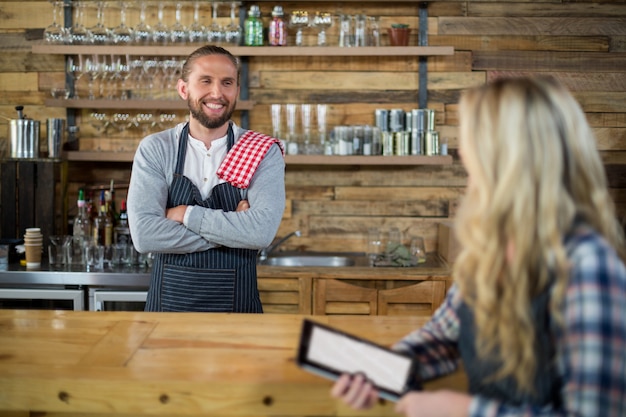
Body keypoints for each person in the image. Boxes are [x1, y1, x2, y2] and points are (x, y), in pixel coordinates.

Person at [331, 76, 626, 416]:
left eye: (471, 136)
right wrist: (379, 370)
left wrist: (465, 410)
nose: (461, 149)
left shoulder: (588, 264)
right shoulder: (494, 248)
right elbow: (441, 338)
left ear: (507, 156)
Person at [127, 45, 285, 313]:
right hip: (168, 313)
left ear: (236, 90)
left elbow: (260, 233)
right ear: (183, 89)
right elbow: (145, 236)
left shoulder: (262, 150)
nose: (217, 93)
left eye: (227, 83)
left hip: (238, 315)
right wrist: (235, 230)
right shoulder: (156, 148)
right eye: (205, 81)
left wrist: (186, 214)